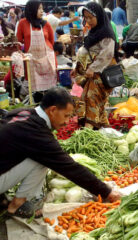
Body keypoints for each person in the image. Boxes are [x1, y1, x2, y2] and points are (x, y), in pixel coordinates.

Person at [0, 87, 120, 218]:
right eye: (66, 116)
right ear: (52, 110)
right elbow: (70, 167)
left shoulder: (22, 112)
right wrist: (106, 191)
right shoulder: (37, 133)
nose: (67, 121)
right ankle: (15, 206)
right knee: (41, 161)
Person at [71, 2, 115, 129]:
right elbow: (86, 52)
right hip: (92, 73)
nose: (88, 21)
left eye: (91, 17)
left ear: (99, 16)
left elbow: (107, 54)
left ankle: (89, 129)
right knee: (90, 100)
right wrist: (77, 68)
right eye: (86, 17)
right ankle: (102, 128)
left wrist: (93, 68)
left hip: (101, 74)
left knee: (92, 99)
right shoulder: (93, 32)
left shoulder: (106, 33)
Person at [17, 0, 57, 93]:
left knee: (50, 89)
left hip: (47, 60)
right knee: (33, 90)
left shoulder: (46, 24)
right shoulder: (22, 23)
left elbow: (51, 41)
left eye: (42, 9)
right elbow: (19, 41)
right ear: (32, 9)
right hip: (32, 61)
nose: (42, 11)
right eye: (39, 8)